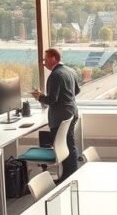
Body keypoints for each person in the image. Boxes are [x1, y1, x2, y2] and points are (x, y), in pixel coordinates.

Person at [31, 48, 80, 181]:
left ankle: (70, 177)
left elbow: (52, 100)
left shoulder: (55, 75)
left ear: (53, 58)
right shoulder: (71, 71)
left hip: (60, 117)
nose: (43, 63)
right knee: (68, 145)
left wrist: (39, 97)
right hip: (71, 112)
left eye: (45, 59)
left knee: (65, 147)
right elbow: (77, 90)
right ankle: (68, 176)